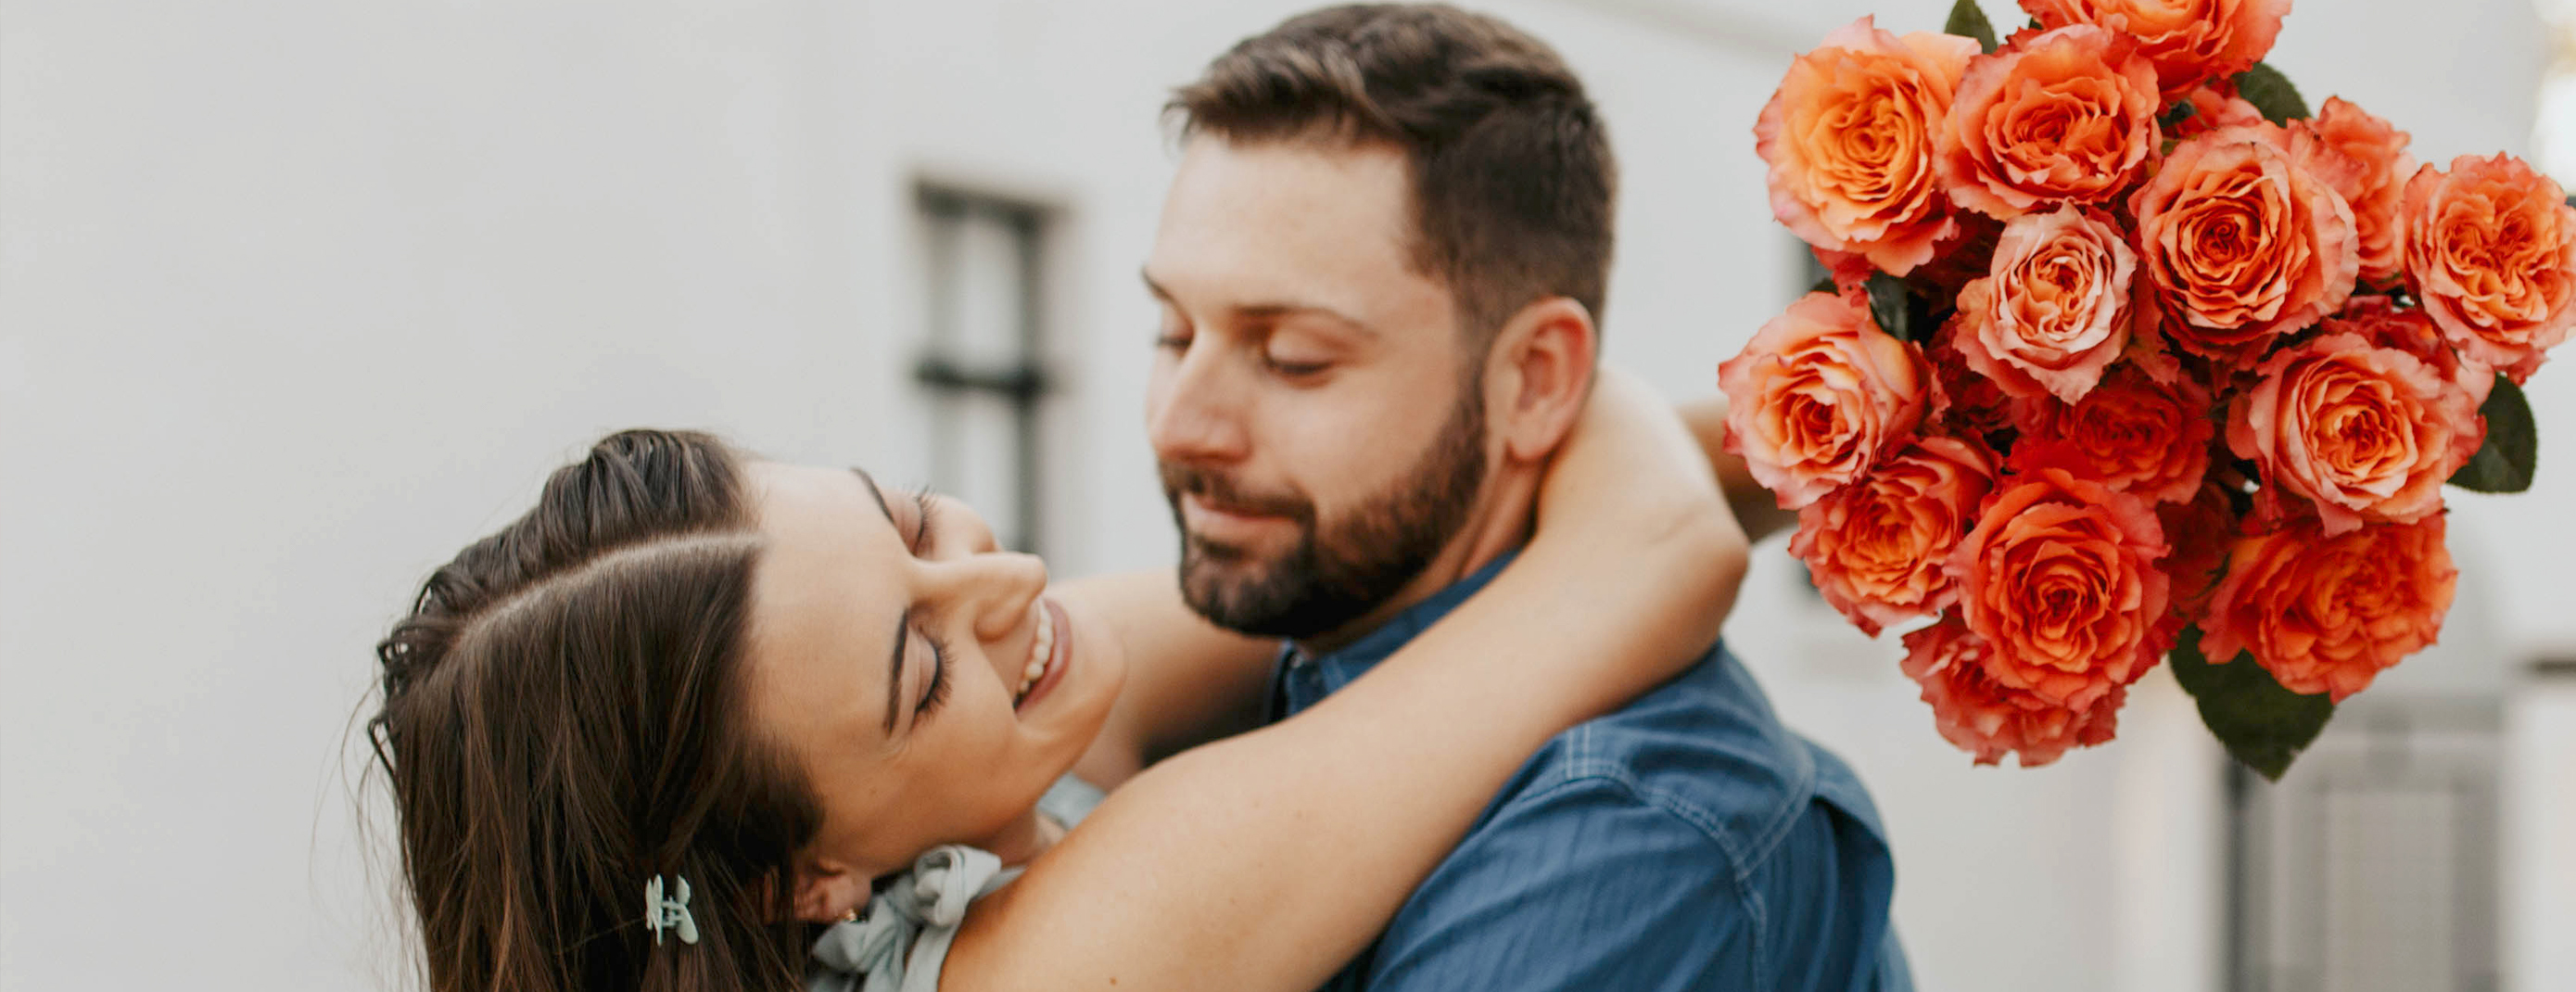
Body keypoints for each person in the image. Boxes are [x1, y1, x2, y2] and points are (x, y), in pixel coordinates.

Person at [364, 371, 1754, 992]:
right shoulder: (1065, 964)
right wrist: (1537, 354)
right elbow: (1646, 556)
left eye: (912, 520)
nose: (1008, 581)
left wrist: (1875, 383)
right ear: (804, 883)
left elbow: (1451, 536)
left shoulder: (969, 741)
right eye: (922, 667)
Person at [1128, 1, 1909, 990]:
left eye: (1293, 358)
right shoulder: (1287, 660)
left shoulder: (1628, 842)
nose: (1181, 424)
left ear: (1534, 380)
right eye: (1171, 333)